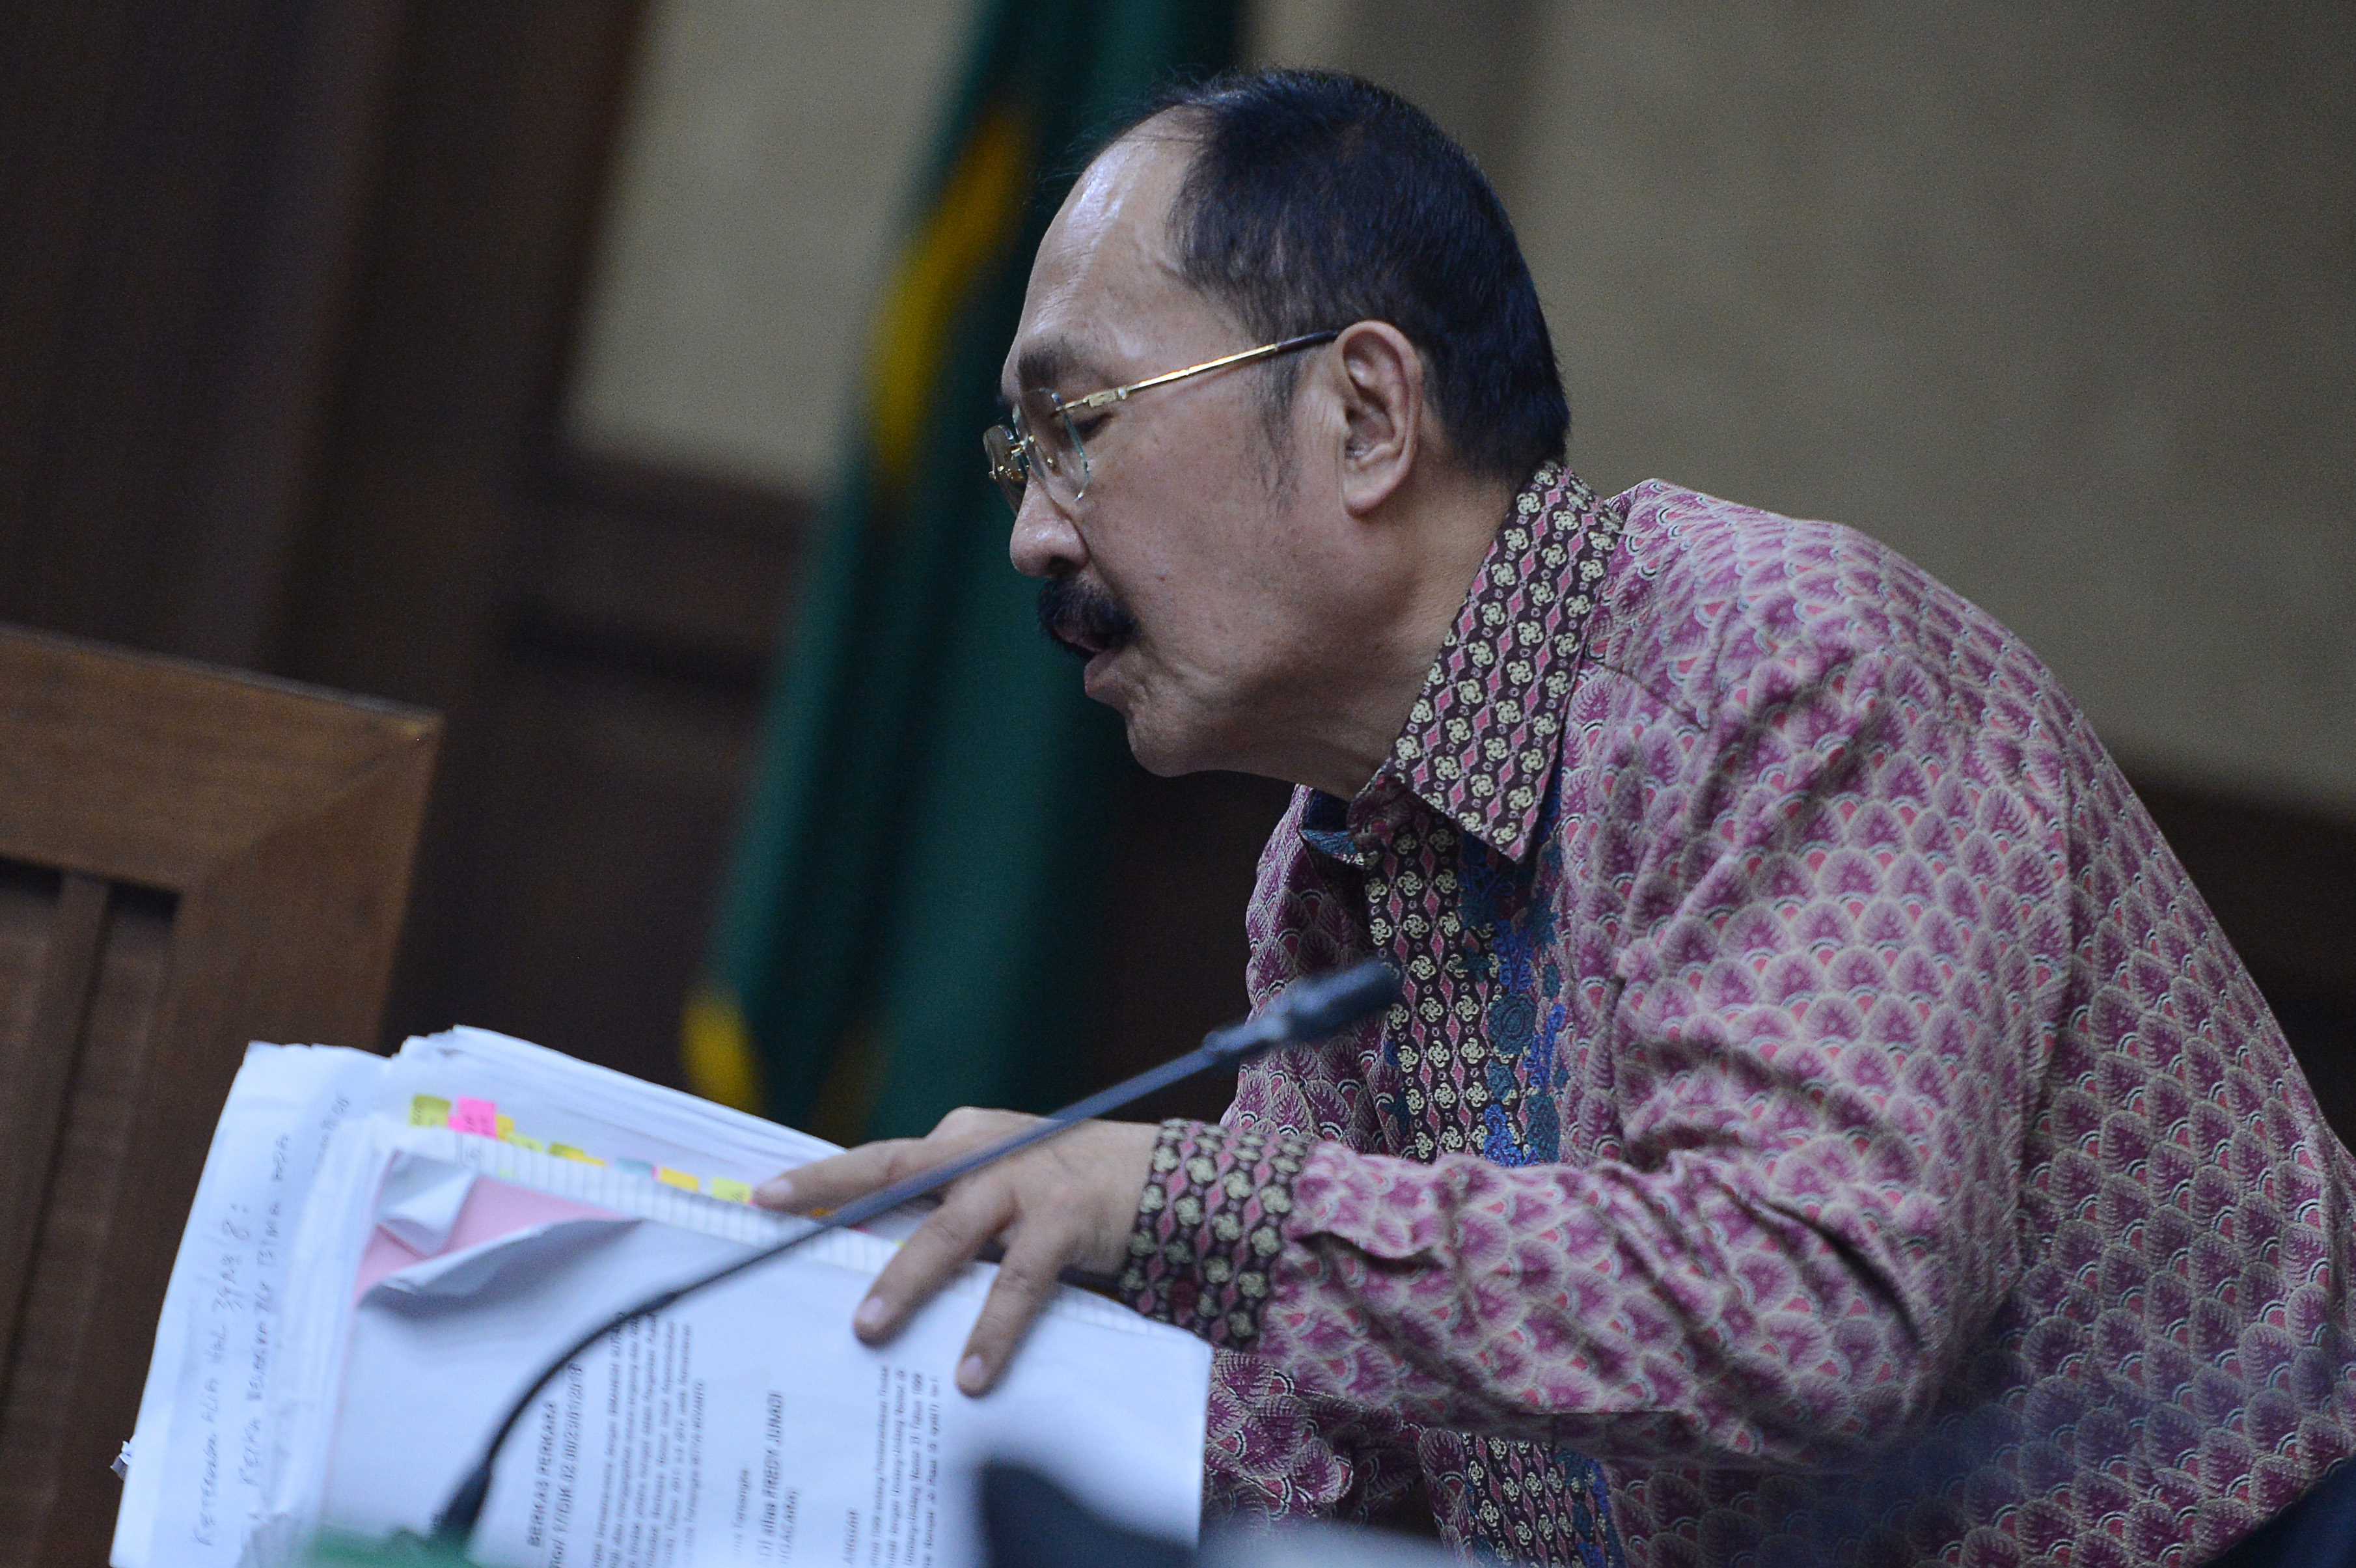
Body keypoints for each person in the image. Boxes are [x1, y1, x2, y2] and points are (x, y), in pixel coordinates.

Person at [756, 70, 2356, 1566]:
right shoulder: (1332, 855)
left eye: (1079, 426)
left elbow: (1820, 1303)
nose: (1033, 537)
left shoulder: (1786, 667)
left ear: (1365, 415)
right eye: (1021, 458)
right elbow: (1293, 1452)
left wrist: (1171, 1200)